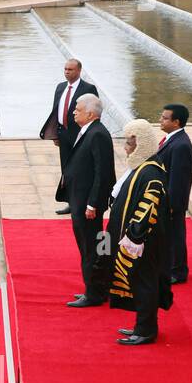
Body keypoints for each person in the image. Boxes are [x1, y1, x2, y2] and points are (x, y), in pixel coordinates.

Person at [108, 119, 173, 346]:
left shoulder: (151, 172)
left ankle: (146, 330)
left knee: (145, 283)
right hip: (136, 240)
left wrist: (135, 236)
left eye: (129, 144)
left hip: (144, 242)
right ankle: (141, 325)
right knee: (139, 283)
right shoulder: (142, 168)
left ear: (141, 145)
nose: (126, 148)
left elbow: (149, 207)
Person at [61, 94, 115, 309]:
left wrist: (93, 203)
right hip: (79, 201)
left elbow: (103, 173)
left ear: (91, 114)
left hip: (87, 206)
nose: (74, 111)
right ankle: (93, 287)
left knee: (92, 248)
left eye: (78, 109)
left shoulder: (98, 134)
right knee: (86, 247)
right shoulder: (88, 131)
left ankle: (94, 293)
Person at [41, 59, 99, 214]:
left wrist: (88, 134)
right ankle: (70, 202)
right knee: (66, 168)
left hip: (79, 135)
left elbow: (95, 112)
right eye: (65, 69)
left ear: (79, 71)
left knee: (81, 168)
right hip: (63, 134)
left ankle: (84, 201)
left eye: (70, 69)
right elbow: (56, 110)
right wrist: (55, 134)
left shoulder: (88, 88)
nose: (67, 72)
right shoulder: (60, 87)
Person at [156, 104, 192, 285]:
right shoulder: (171, 139)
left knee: (175, 235)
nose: (160, 120)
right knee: (168, 235)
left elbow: (178, 178)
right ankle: (169, 266)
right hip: (166, 199)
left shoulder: (180, 145)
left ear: (176, 122)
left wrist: (171, 204)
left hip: (173, 202)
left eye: (164, 118)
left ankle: (178, 271)